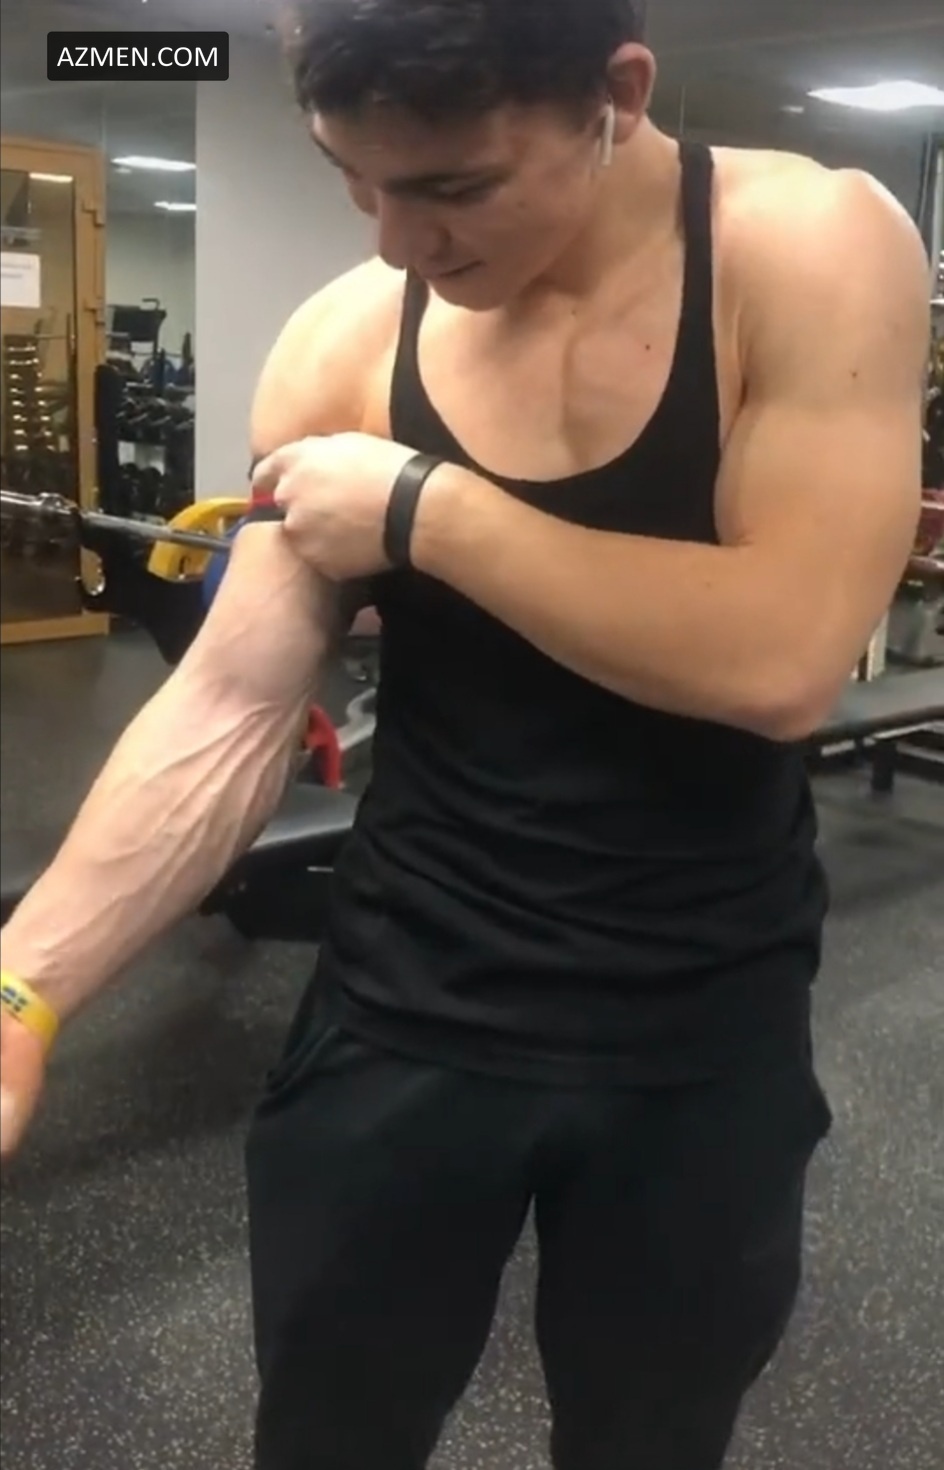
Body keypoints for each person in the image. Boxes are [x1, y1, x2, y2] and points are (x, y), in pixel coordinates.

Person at [0, 1, 930, 1467]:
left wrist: (426, 511)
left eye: (452, 186)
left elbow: (784, 657)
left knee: (648, 1439)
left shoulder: (808, 247)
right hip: (400, 1004)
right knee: (330, 1432)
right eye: (354, 181)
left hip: (699, 1023)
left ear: (617, 93)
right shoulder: (344, 344)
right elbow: (233, 704)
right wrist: (24, 988)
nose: (394, 241)